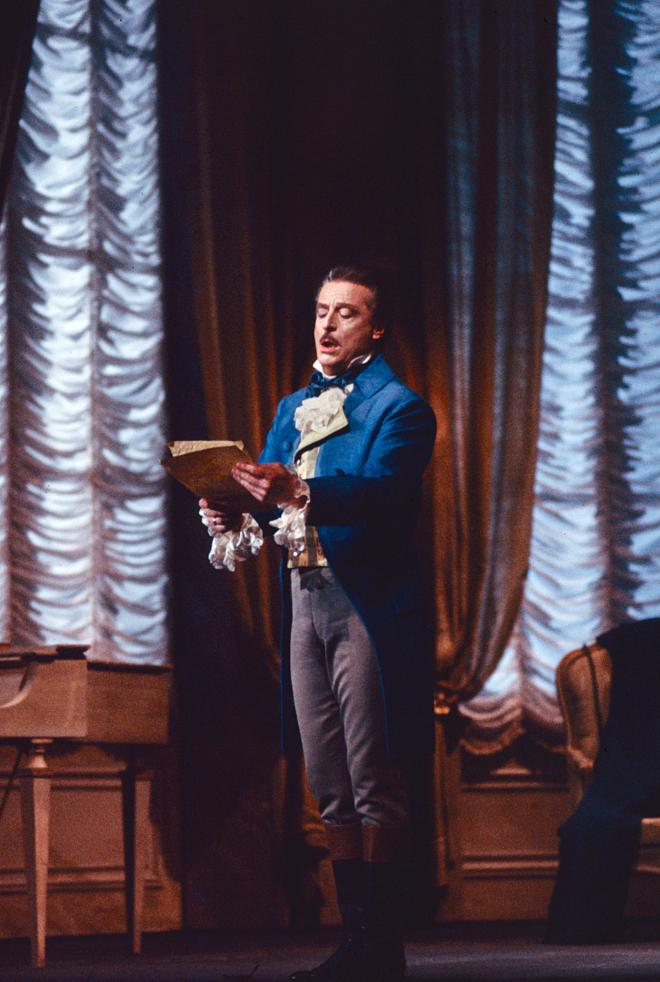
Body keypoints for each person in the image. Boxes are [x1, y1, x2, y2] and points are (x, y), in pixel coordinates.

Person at [199, 265, 436, 981]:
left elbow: (387, 497)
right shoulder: (290, 407)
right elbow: (273, 501)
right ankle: (355, 936)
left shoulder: (401, 407)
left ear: (377, 326)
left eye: (347, 314)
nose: (328, 327)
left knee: (372, 777)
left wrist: (298, 487)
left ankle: (382, 946)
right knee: (327, 778)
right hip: (303, 597)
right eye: (321, 311)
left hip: (364, 600)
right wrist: (232, 506)